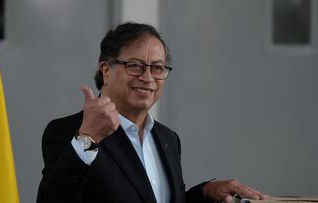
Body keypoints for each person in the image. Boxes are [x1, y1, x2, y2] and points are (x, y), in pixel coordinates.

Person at [37, 22, 266, 203]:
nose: (147, 78)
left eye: (157, 68)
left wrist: (206, 192)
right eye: (135, 66)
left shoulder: (168, 139)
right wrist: (87, 138)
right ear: (106, 71)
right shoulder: (68, 132)